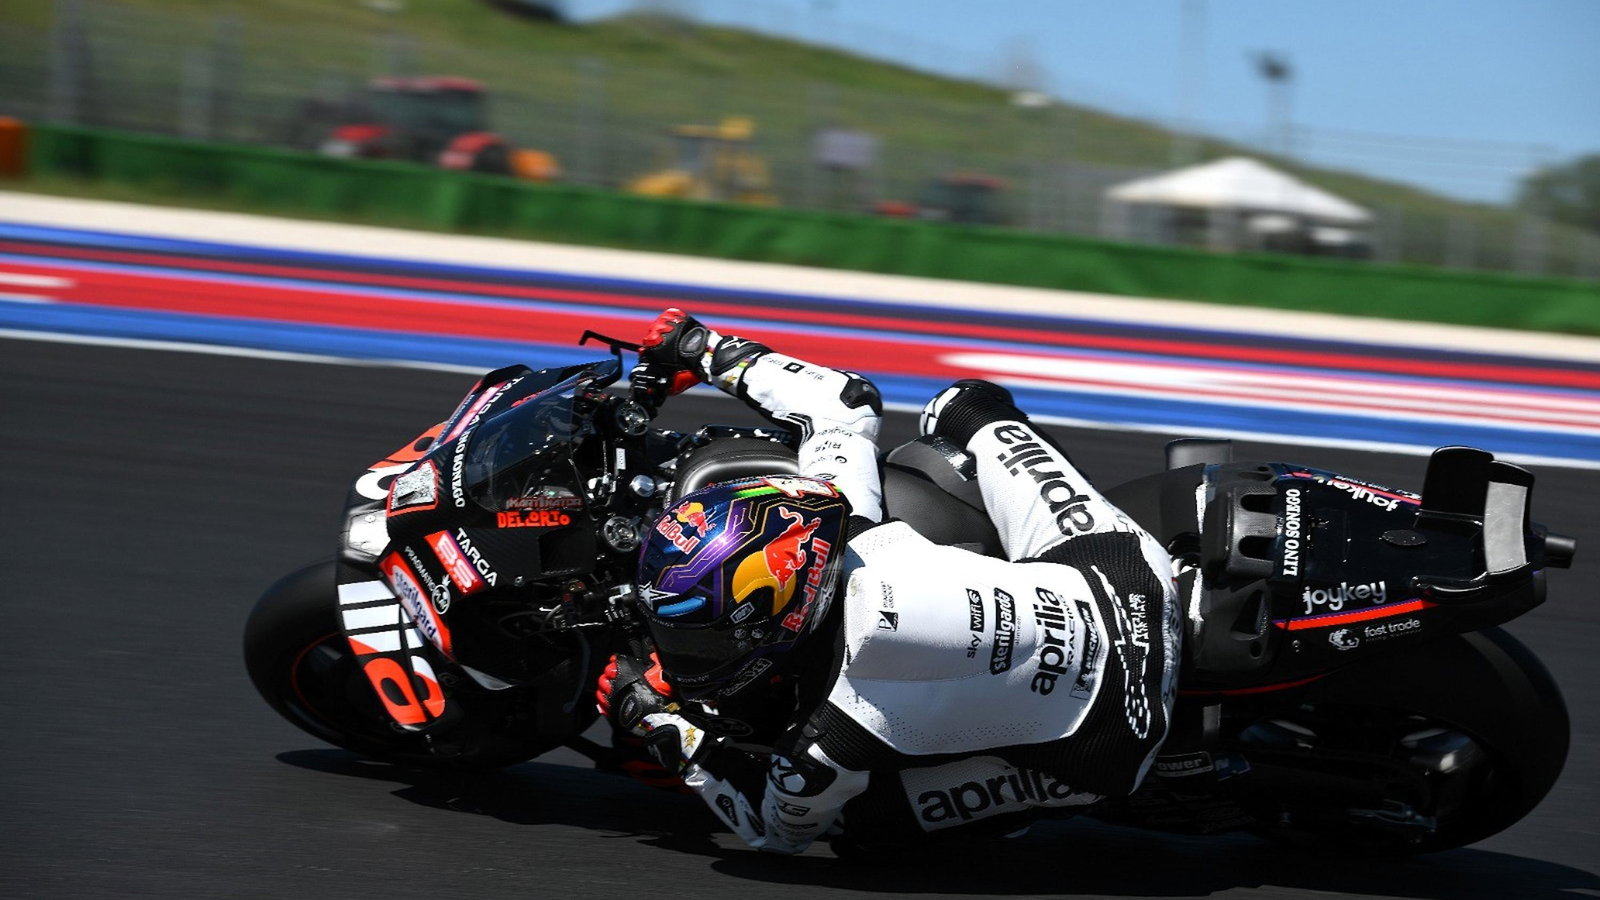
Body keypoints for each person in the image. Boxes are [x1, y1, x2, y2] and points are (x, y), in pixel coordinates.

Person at [596, 308, 1182, 854]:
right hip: (1130, 584)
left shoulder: (835, 729)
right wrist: (702, 348)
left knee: (860, 830)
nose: (687, 652)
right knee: (962, 406)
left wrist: (655, 718)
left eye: (708, 635)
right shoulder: (849, 531)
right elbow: (846, 402)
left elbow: (775, 831)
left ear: (783, 619)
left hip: (1115, 742)